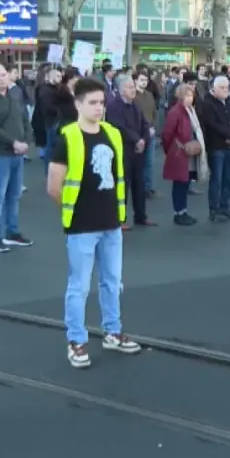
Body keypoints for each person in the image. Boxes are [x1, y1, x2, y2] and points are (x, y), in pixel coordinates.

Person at [47, 77, 141, 369]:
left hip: (111, 222)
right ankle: (76, 339)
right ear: (78, 104)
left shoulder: (112, 134)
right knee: (79, 286)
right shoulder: (68, 137)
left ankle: (112, 331)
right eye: (93, 103)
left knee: (113, 282)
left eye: (102, 102)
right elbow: (53, 186)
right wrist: (76, 212)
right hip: (82, 225)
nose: (99, 108)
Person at [0, 63, 33, 252]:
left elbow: (24, 120)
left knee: (14, 196)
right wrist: (14, 142)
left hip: (17, 154)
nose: (2, 78)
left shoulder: (13, 97)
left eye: (4, 75)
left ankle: (12, 233)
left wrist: (26, 141)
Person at [106, 76, 155, 229]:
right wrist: (136, 140)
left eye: (133, 87)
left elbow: (144, 123)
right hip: (123, 149)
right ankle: (119, 218)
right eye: (129, 87)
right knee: (122, 184)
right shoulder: (114, 106)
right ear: (121, 90)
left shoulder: (136, 104)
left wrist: (144, 139)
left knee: (139, 184)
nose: (133, 90)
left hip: (138, 149)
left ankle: (141, 216)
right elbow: (119, 126)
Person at [197, 75, 230, 222]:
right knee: (216, 179)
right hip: (217, 146)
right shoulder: (207, 103)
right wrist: (229, 134)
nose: (225, 90)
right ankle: (213, 208)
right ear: (213, 89)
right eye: (222, 87)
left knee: (228, 178)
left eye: (227, 87)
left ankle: (225, 206)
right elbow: (212, 124)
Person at [161, 83, 206, 225]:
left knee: (185, 182)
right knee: (180, 183)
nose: (189, 98)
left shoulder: (190, 110)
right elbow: (167, 134)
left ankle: (183, 211)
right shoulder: (176, 112)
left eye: (191, 95)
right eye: (186, 95)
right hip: (179, 152)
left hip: (189, 152)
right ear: (180, 96)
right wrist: (171, 149)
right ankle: (178, 213)